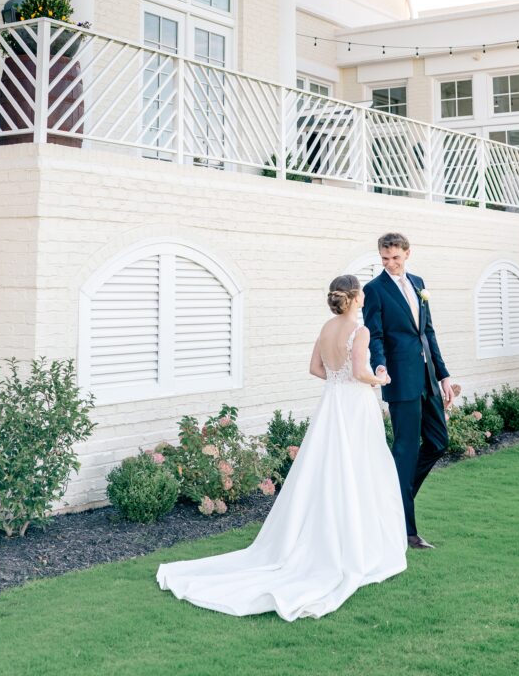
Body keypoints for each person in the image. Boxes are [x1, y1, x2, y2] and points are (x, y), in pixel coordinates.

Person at [156, 274, 408, 621]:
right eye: (361, 291)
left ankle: (326, 532)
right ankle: (357, 541)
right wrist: (379, 378)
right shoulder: (359, 331)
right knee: (360, 465)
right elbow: (361, 371)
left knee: (327, 466)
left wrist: (339, 380)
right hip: (354, 405)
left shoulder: (326, 327)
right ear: (352, 297)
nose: (365, 295)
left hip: (331, 402)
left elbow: (315, 368)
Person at [363, 232, 454, 550]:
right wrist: (379, 365)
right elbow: (374, 334)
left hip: (428, 376)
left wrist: (443, 375)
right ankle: (406, 532)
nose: (390, 263)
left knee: (438, 442)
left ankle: (393, 500)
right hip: (400, 379)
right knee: (405, 450)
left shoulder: (418, 282)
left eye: (395, 258)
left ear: (407, 254)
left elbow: (427, 331)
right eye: (385, 259)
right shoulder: (374, 290)